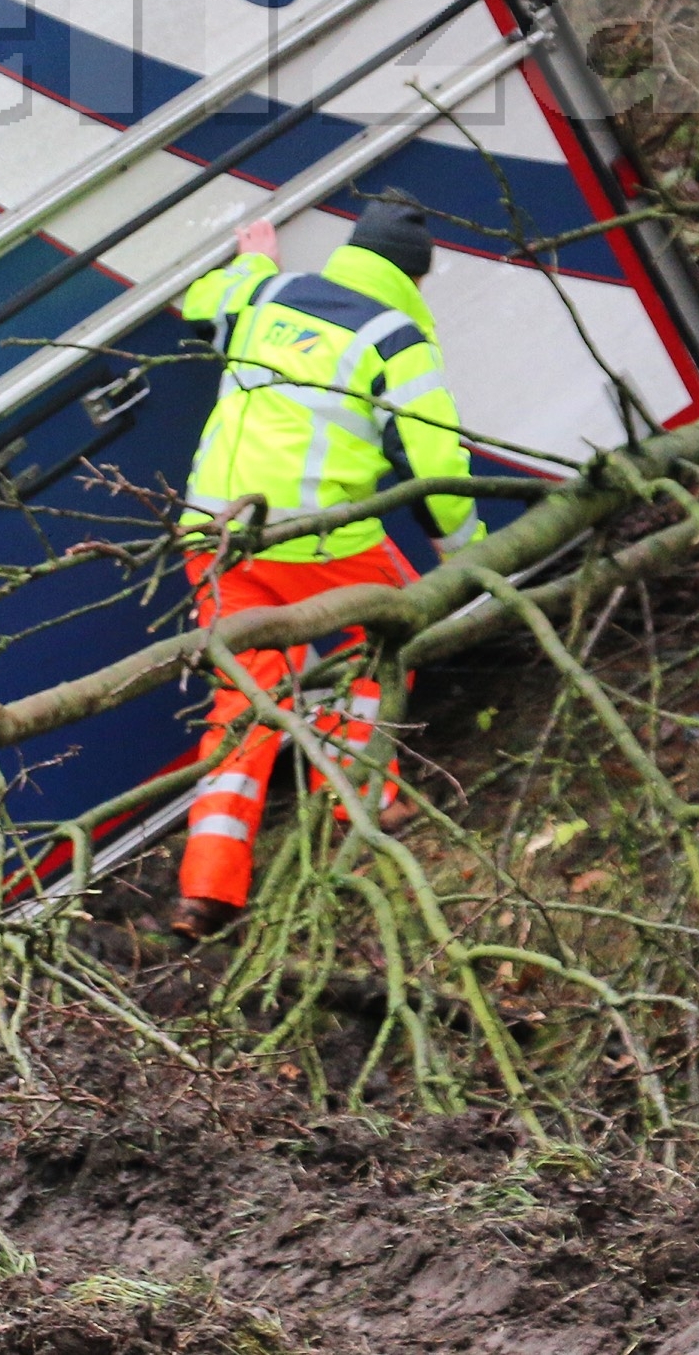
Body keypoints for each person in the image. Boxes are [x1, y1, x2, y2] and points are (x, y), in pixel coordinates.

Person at [163, 199, 471, 941]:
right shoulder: (397, 339)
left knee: (240, 709)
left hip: (214, 540)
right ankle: (368, 800)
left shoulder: (267, 294)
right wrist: (466, 556)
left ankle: (205, 889)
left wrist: (254, 261)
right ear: (414, 280)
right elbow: (436, 463)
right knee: (384, 635)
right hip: (318, 545)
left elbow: (195, 301)